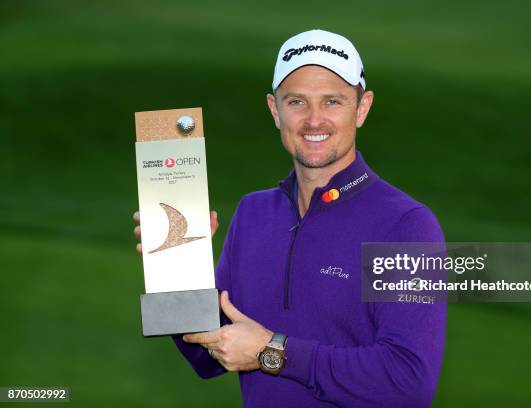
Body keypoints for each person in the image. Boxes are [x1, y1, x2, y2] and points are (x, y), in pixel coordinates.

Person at [134, 29, 446, 408]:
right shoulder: (253, 213)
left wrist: (273, 351)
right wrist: (174, 269)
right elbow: (207, 357)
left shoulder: (406, 225)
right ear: (274, 109)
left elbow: (409, 382)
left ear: (361, 108)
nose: (314, 120)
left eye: (333, 101)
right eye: (297, 101)